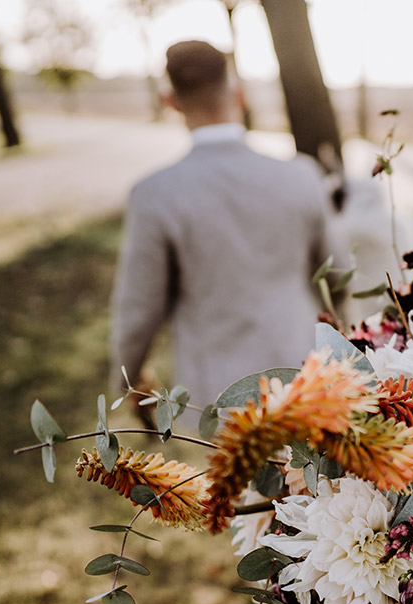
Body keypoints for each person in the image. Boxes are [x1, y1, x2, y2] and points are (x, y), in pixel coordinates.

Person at [110, 40, 346, 418]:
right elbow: (339, 276)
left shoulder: (155, 195)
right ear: (240, 93)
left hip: (217, 397)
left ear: (171, 101)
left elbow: (140, 310)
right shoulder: (302, 176)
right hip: (308, 374)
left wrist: (129, 381)